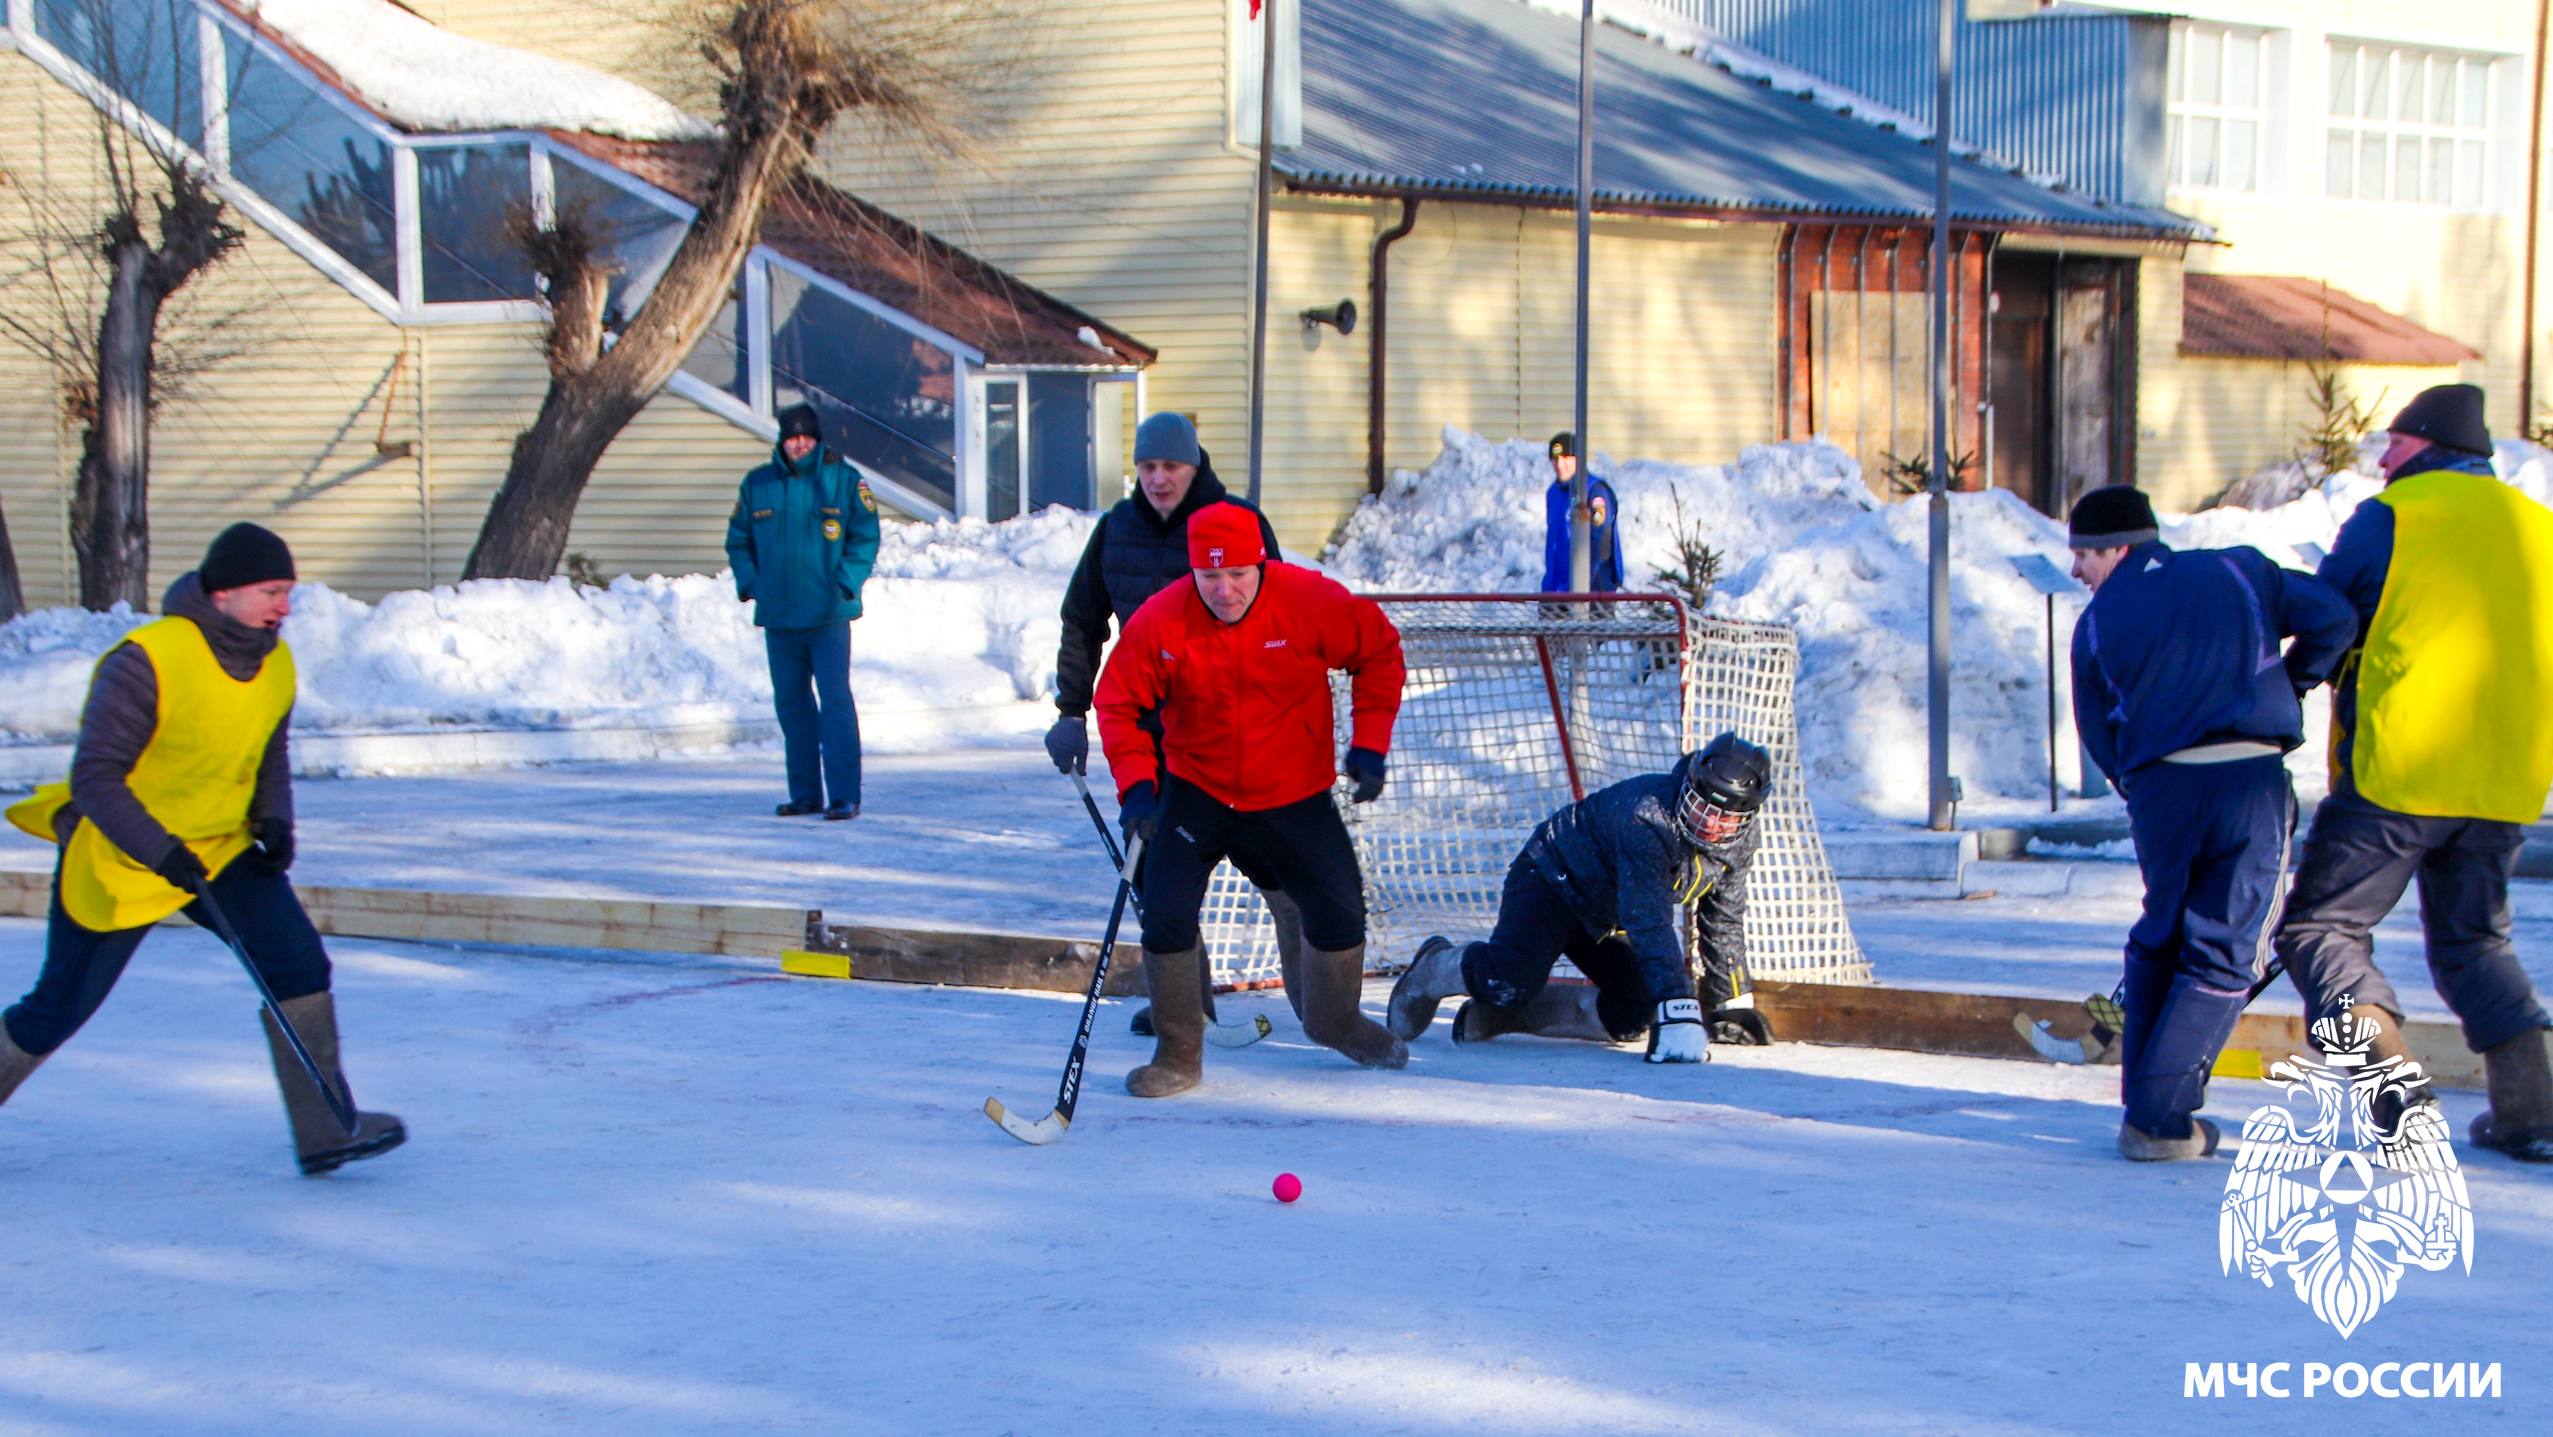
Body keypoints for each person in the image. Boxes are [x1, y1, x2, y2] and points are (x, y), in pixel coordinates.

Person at [0, 524, 405, 1175]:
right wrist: (159, 851)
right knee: (58, 1006)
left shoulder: (275, 661)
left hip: (219, 847)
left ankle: (328, 1129)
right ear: (222, 593)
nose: (284, 606)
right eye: (270, 591)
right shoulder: (147, 660)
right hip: (126, 855)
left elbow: (269, 749)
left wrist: (275, 818)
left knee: (297, 964)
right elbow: (95, 779)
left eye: (288, 591)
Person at [2275, 384, 2553, 1164]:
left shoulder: (2392, 516)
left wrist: (2285, 689)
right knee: (2474, 943)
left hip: (2399, 769)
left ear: (2426, 444)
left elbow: (2330, 614)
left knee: (2319, 928)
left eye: (2391, 444)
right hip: (2503, 777)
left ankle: (2394, 1100)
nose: (2382, 459)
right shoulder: (2539, 526)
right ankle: (2532, 1112)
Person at [2065, 486, 2357, 1161]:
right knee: (2226, 950)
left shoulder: (2097, 621)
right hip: (2248, 779)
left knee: (2162, 933)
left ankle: (2145, 1106)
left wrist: (2140, 786)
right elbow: (2334, 618)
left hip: (2161, 790)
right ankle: (2159, 1120)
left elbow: (2097, 727)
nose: (2077, 570)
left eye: (2084, 554)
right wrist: (2292, 681)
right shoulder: (2239, 569)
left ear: (2119, 547)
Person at [1093, 502, 1408, 1095]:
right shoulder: (1164, 619)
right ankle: (1178, 1054)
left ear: (1260, 563)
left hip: (1293, 793)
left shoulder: (1308, 601)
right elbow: (1117, 703)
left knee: (1339, 914)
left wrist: (1369, 744)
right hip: (1198, 790)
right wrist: (1136, 787)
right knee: (1165, 911)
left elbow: (1380, 652)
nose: (1225, 590)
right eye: (1209, 576)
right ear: (1193, 571)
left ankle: (1337, 1021)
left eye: (1238, 573)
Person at [1044, 412, 1289, 1035]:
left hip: (1232, 729)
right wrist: (1071, 712)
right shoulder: (1116, 530)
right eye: (1148, 467)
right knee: (1158, 874)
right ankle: (1184, 1005)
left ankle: (1324, 1003)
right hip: (1151, 735)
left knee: (1280, 869)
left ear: (1193, 466)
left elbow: (1278, 617)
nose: (1158, 479)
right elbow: (1082, 620)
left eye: (1171, 467)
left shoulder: (1237, 523)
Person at [1386, 733, 1773, 1063]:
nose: (1710, 823)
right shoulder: (1649, 816)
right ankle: (1433, 968)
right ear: (1689, 784)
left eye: (1725, 816)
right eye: (1703, 806)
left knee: (1635, 1010)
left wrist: (1730, 1005)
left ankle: (1512, 1015)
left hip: (1604, 914)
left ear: (1746, 816)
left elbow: (1723, 919)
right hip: (1552, 880)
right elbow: (1648, 919)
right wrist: (1678, 1003)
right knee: (1507, 978)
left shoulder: (1739, 844)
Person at [726, 402, 881, 821]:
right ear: (782, 440)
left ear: (817, 439)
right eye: (792, 438)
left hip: (828, 616)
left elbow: (865, 536)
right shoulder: (759, 484)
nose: (799, 445)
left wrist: (846, 582)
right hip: (780, 618)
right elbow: (739, 541)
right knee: (793, 708)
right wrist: (753, 583)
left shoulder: (843, 482)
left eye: (806, 438)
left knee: (835, 705)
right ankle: (805, 794)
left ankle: (844, 795)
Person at [1539, 431, 1624, 594]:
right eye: (1555, 459)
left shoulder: (1594, 491)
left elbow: (1601, 542)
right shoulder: (1553, 493)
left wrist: (1587, 582)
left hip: (1590, 589)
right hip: (1556, 588)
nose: (1560, 465)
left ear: (1578, 458)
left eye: (1566, 458)